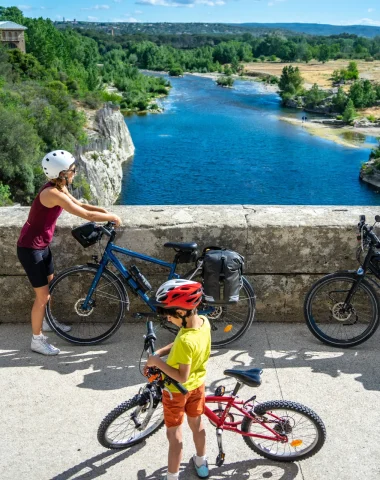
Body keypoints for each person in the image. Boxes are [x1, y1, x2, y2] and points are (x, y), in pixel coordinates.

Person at [17, 150, 122, 356]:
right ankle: (36, 340)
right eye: (72, 170)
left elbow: (82, 205)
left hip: (41, 246)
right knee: (42, 297)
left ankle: (47, 322)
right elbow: (84, 214)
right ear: (62, 173)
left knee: (50, 286)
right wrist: (112, 216)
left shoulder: (59, 187)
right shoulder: (51, 194)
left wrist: (104, 211)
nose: (75, 173)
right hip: (30, 249)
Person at [146, 279, 211, 480]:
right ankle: (201, 461)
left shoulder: (185, 341)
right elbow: (181, 343)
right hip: (198, 386)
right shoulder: (202, 323)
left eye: (168, 312)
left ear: (181, 312)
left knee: (174, 437)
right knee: (197, 425)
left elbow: (181, 376)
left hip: (176, 391)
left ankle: (172, 476)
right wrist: (161, 352)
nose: (166, 317)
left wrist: (157, 362)